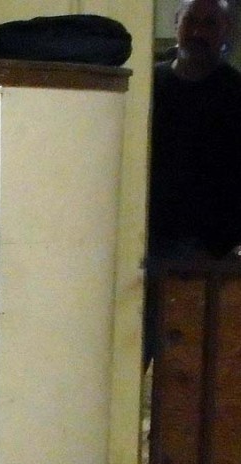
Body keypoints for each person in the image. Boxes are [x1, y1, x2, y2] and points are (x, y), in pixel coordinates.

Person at [146, 0, 241, 363]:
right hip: (144, 242)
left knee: (185, 367)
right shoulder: (151, 86)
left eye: (210, 24)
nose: (200, 32)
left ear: (225, 31)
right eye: (192, 22)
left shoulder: (235, 96)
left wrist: (217, 247)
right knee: (130, 351)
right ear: (177, 24)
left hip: (203, 254)